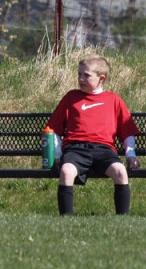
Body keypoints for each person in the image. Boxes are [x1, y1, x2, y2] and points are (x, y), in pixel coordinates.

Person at [47, 55, 140, 215]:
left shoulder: (114, 100)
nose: (81, 79)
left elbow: (127, 133)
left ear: (101, 78)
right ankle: (65, 219)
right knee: (66, 172)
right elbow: (53, 129)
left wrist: (131, 155)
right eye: (79, 74)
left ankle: (123, 219)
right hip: (76, 149)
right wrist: (57, 154)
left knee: (120, 172)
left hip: (104, 150)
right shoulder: (71, 97)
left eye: (86, 75)